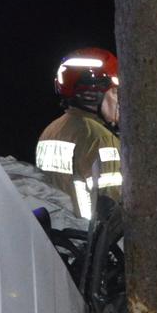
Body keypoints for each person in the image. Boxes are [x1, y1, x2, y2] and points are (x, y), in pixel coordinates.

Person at [35, 48, 122, 221]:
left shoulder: (51, 130)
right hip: (88, 241)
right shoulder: (101, 138)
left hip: (57, 237)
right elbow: (112, 209)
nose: (120, 101)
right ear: (92, 95)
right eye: (114, 92)